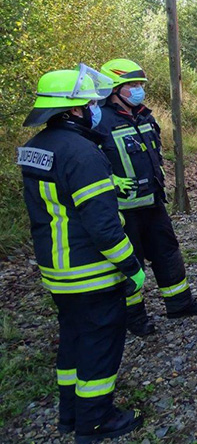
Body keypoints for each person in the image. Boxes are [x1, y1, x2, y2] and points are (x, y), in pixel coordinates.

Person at [18, 65, 144, 442]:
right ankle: (96, 421)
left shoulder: (37, 147)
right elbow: (103, 226)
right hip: (91, 270)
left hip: (57, 270)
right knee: (99, 346)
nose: (96, 108)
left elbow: (62, 204)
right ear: (74, 110)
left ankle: (70, 415)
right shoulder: (83, 152)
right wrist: (131, 265)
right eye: (91, 102)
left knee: (73, 341)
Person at [97, 59, 197, 337]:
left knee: (167, 252)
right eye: (132, 85)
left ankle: (179, 303)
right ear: (115, 89)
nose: (138, 91)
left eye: (139, 85)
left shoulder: (145, 116)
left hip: (153, 202)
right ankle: (134, 317)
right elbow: (90, 165)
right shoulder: (99, 122)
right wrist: (111, 183)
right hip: (123, 209)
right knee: (130, 262)